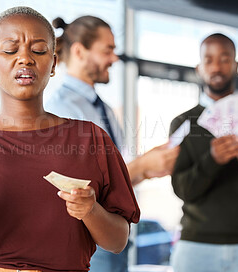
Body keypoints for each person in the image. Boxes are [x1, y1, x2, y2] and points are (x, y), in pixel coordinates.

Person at [0, 6, 139, 272]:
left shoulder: (91, 139)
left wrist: (91, 210)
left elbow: (117, 241)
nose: (25, 59)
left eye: (39, 50)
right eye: (11, 50)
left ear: (54, 63)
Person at [45, 16, 179, 272]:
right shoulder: (62, 110)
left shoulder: (102, 108)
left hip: (114, 238)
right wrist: (140, 165)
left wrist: (148, 168)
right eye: (108, 50)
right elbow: (80, 189)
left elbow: (112, 179)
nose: (114, 58)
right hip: (90, 244)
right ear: (79, 51)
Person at [169, 33, 238, 272]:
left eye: (224, 58)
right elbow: (182, 190)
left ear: (236, 65)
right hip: (195, 244)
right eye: (209, 60)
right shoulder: (183, 123)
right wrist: (213, 160)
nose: (217, 66)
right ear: (199, 68)